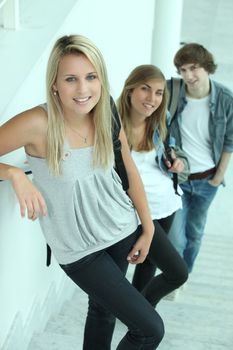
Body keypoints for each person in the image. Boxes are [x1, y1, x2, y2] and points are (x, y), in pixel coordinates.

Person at [0, 35, 165, 349]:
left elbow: (129, 172)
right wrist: (13, 173)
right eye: (71, 79)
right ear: (55, 85)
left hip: (121, 229)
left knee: (103, 313)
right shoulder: (39, 123)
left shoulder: (104, 115)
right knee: (150, 329)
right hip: (80, 251)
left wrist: (147, 228)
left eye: (91, 77)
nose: (83, 89)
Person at [117, 64, 189, 306]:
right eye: (145, 89)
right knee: (177, 273)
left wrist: (177, 163)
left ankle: (141, 314)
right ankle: (139, 312)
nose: (152, 98)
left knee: (149, 263)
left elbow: (172, 151)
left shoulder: (161, 119)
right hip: (134, 210)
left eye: (159, 92)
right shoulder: (112, 125)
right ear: (130, 90)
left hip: (165, 202)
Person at [167, 43, 233, 273]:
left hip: (208, 181)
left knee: (195, 233)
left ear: (206, 67)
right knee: (175, 238)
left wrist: (218, 176)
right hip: (178, 179)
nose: (188, 75)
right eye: (183, 70)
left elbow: (230, 141)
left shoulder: (226, 98)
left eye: (194, 68)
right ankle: (173, 277)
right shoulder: (171, 92)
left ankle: (182, 276)